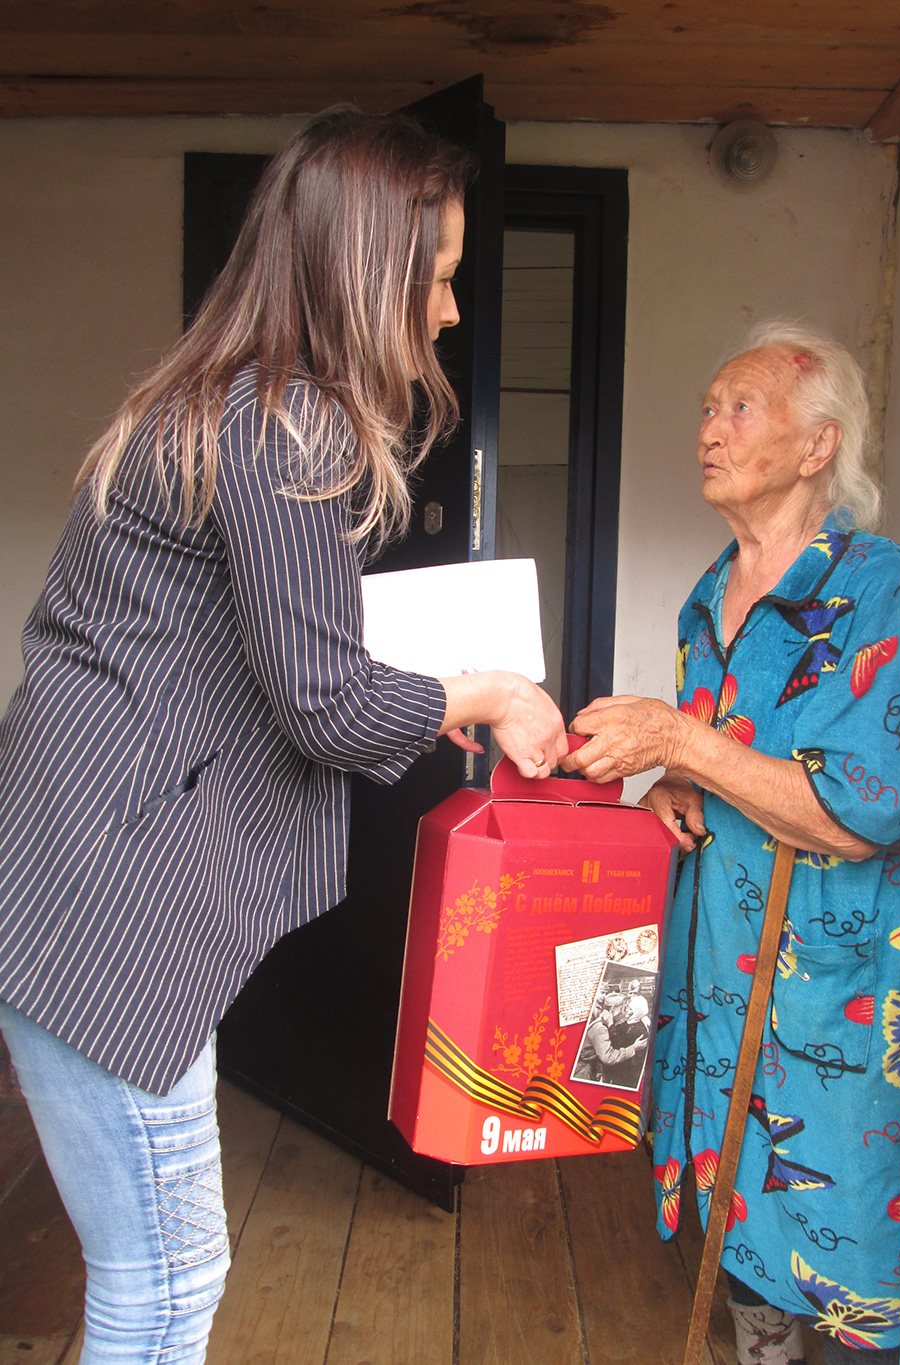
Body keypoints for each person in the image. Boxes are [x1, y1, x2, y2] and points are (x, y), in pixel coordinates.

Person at [0, 108, 566, 1364]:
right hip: (113, 908)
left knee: (152, 1271)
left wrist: (424, 686)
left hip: (64, 874)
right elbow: (324, 701)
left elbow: (270, 651)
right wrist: (487, 693)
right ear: (365, 271)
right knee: (163, 1285)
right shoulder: (284, 421)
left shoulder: (216, 402)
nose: (450, 312)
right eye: (436, 277)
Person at [565, 323, 900, 1364]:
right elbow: (734, 760)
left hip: (832, 983)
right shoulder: (707, 596)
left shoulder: (878, 587)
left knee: (850, 1230)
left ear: (817, 445)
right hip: (716, 969)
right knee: (733, 1214)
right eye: (705, 409)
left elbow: (862, 812)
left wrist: (683, 740)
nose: (708, 430)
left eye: (738, 408)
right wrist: (674, 784)